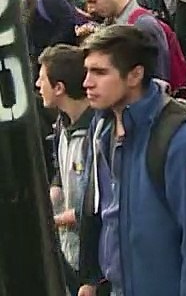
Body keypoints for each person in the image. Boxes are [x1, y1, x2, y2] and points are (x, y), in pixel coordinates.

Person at [78, 24, 186, 296]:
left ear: (135, 75)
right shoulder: (102, 129)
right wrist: (92, 278)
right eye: (87, 71)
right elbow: (102, 211)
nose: (86, 82)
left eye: (99, 72)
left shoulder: (184, 143)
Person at [37, 44, 93, 284]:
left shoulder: (98, 133)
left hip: (96, 259)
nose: (37, 85)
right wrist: (51, 198)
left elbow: (100, 205)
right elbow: (60, 170)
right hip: (70, 249)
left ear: (59, 87)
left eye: (42, 79)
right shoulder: (61, 124)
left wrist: (52, 221)